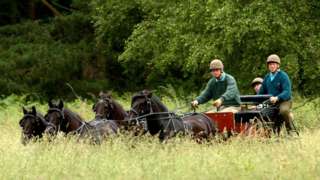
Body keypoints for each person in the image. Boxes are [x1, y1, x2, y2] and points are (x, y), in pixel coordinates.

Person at [258, 54, 295, 132]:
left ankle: (290, 130)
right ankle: (269, 131)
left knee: (284, 110)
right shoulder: (267, 77)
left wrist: (277, 97)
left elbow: (287, 92)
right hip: (271, 102)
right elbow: (261, 93)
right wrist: (256, 104)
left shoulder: (283, 76)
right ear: (268, 66)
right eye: (270, 64)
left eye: (274, 64)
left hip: (284, 101)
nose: (272, 66)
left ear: (278, 65)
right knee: (260, 111)